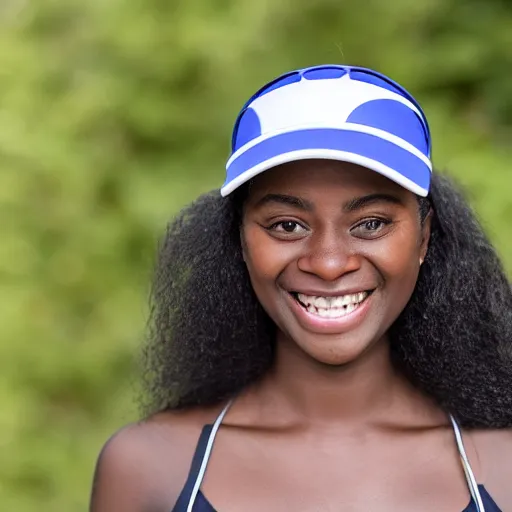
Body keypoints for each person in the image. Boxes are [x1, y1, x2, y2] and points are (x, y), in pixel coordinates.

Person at [89, 65, 512, 512]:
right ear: (240, 241)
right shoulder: (150, 468)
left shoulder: (502, 464)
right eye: (287, 225)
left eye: (370, 224)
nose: (329, 263)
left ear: (424, 239)